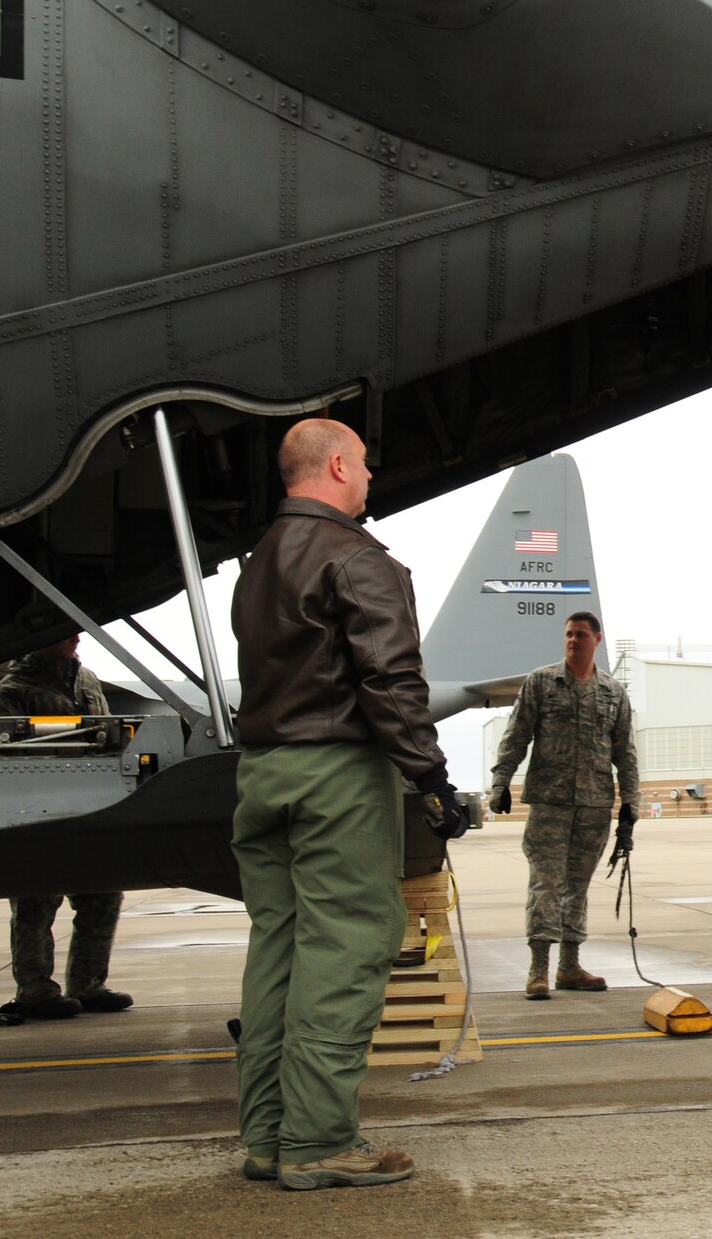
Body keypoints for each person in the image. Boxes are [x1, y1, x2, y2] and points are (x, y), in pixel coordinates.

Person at [230, 417, 467, 1190]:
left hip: (263, 776)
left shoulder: (259, 562)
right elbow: (390, 681)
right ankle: (320, 1142)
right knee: (346, 950)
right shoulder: (357, 559)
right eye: (363, 464)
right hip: (335, 777)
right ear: (336, 465)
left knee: (280, 955)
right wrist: (432, 782)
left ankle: (268, 1137)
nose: (369, 478)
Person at [488, 611, 639, 1001]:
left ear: (597, 640)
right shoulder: (541, 683)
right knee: (546, 885)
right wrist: (501, 781)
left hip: (594, 805)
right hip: (550, 803)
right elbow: (516, 734)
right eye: (569, 634)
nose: (574, 640)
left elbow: (625, 752)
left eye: (581, 635)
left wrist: (630, 804)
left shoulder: (613, 693)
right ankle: (538, 969)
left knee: (578, 887)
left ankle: (569, 966)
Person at [0, 635, 133, 1020]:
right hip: (39, 811)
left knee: (102, 897)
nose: (76, 637)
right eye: (65, 631)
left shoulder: (87, 679)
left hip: (91, 807)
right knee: (36, 903)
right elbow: (3, 755)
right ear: (39, 640)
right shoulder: (13, 689)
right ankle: (36, 991)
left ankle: (88, 986)